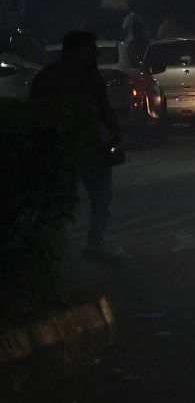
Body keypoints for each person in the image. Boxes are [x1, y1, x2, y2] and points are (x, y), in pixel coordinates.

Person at [29, 30, 123, 264]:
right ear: (79, 50)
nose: (96, 53)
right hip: (71, 146)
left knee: (85, 198)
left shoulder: (58, 76)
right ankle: (83, 246)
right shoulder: (74, 77)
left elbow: (103, 108)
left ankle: (57, 249)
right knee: (91, 197)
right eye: (91, 48)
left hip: (82, 147)